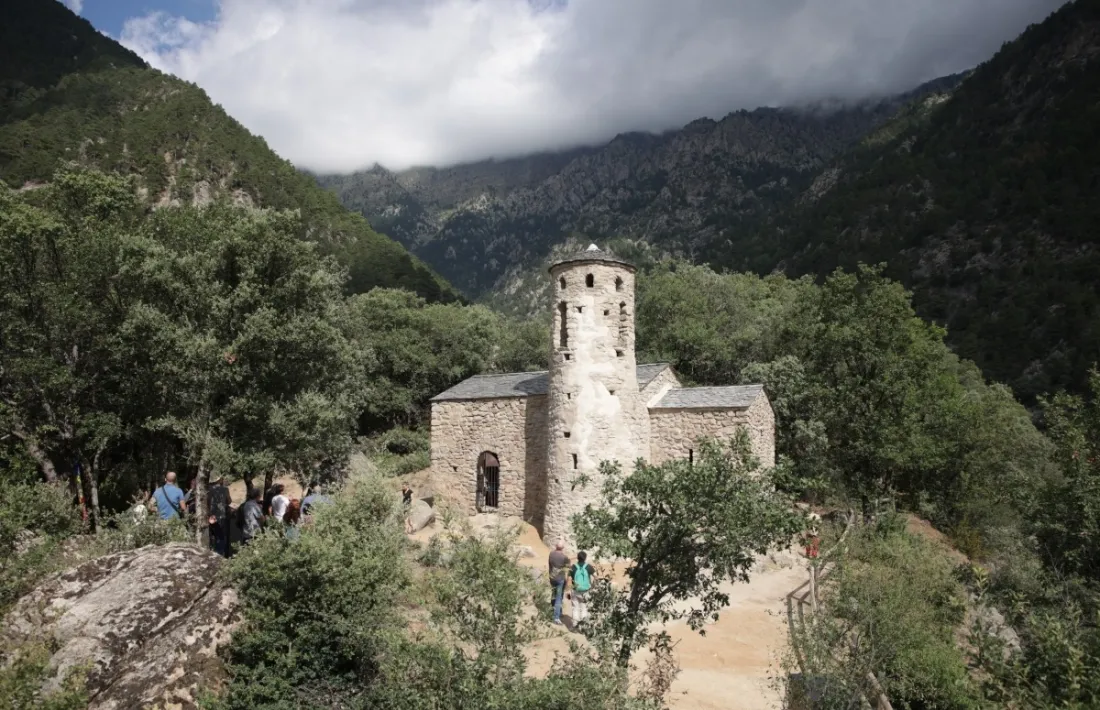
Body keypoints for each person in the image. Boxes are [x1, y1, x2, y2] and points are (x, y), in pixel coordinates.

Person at [569, 550, 595, 627]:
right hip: (586, 590)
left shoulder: (573, 567)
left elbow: (569, 579)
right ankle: (583, 626)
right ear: (585, 558)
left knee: (575, 607)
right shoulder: (589, 567)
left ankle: (575, 624)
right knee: (584, 608)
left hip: (575, 590)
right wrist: (592, 586)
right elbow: (596, 576)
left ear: (577, 558)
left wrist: (568, 590)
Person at [207, 474, 231, 557]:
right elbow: (229, 501)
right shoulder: (225, 489)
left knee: (211, 536)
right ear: (219, 480)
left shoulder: (208, 489)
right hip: (221, 516)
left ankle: (211, 552)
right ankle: (219, 555)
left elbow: (207, 502)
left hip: (211, 516)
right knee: (221, 537)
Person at [548, 540, 570, 625]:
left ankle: (555, 611)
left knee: (553, 594)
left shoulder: (551, 554)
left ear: (555, 546)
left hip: (552, 577)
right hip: (560, 579)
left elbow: (550, 565)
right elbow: (567, 570)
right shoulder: (565, 557)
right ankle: (556, 617)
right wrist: (567, 581)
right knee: (559, 597)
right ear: (563, 548)